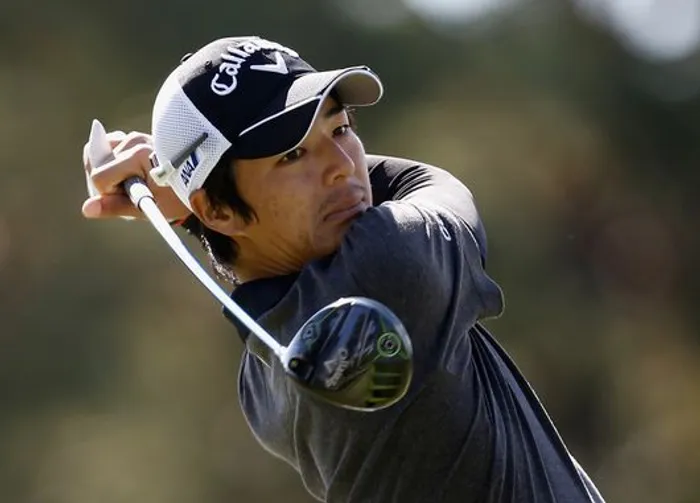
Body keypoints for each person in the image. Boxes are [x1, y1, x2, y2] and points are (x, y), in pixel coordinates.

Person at [81, 36, 605, 503]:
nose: (341, 165)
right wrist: (185, 193)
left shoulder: (260, 380)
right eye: (292, 154)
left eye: (341, 127)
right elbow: (433, 184)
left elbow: (251, 237)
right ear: (219, 211)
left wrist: (192, 196)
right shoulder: (389, 270)